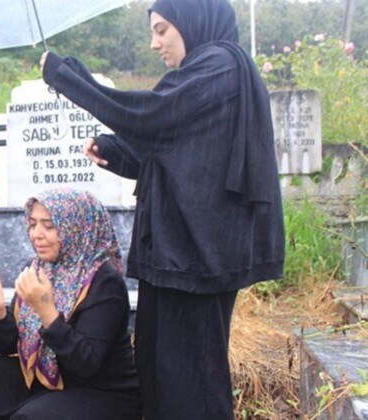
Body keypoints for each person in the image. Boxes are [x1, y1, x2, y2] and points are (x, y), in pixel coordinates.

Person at [39, 0, 285, 418]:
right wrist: (116, 153)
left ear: (193, 22)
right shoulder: (203, 74)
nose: (155, 43)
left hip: (197, 260)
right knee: (159, 375)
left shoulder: (220, 66)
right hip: (176, 255)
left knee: (193, 388)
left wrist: (67, 77)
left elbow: (150, 115)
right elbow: (179, 159)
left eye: (162, 30)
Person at [0, 188, 141, 420]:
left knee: (32, 417)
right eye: (32, 224)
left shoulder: (104, 282)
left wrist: (47, 312)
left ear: (76, 228)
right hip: (52, 381)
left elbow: (86, 364)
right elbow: (8, 346)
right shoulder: (38, 269)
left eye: (49, 226)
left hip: (102, 391)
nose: (36, 234)